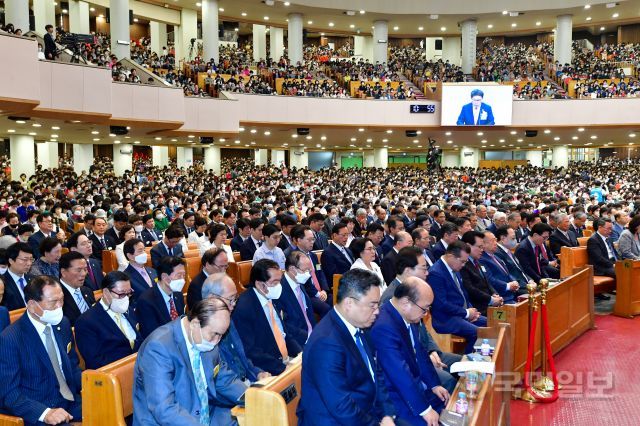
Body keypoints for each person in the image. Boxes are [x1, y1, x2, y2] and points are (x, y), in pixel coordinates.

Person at [297, 269, 396, 426]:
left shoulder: (360, 326)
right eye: (373, 305)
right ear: (349, 303)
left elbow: (375, 374)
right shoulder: (326, 343)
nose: (377, 312)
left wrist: (387, 414)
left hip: (365, 414)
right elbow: (341, 407)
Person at [132, 297, 247, 425]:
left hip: (207, 414)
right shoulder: (158, 348)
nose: (216, 341)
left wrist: (255, 398)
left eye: (221, 335)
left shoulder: (206, 340)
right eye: (214, 334)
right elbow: (164, 410)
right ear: (195, 324)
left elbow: (224, 380)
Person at [0, 275, 82, 425]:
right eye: (53, 302)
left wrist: (92, 387)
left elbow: (72, 365)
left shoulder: (62, 323)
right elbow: (9, 394)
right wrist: (45, 413)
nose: (60, 306)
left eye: (61, 300)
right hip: (40, 409)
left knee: (108, 412)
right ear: (32, 305)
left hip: (70, 400)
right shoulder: (10, 339)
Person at [379, 246, 461, 394]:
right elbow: (400, 349)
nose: (427, 273)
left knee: (464, 363)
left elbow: (421, 328)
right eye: (423, 268)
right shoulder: (391, 299)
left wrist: (432, 350)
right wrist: (426, 356)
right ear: (408, 270)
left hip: (424, 351)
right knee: (447, 381)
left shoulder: (415, 291)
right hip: (411, 360)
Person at [370, 277, 449, 426]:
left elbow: (420, 354)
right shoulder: (384, 327)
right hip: (395, 395)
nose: (426, 314)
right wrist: (425, 410)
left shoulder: (408, 315)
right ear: (406, 302)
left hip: (414, 385)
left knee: (447, 405)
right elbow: (399, 373)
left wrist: (434, 385)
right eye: (424, 309)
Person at [233, 259, 302, 375]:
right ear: (260, 284)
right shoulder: (243, 308)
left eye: (280, 281)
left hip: (286, 360)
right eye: (274, 282)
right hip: (268, 369)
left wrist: (300, 354)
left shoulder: (270, 297)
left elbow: (284, 333)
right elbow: (251, 351)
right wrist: (284, 369)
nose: (279, 286)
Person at [201, 272, 270, 384]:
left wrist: (258, 373)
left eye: (235, 299)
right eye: (230, 299)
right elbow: (219, 381)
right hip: (232, 392)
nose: (233, 304)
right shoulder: (204, 330)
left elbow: (241, 357)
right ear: (212, 298)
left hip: (247, 382)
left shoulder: (229, 318)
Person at [428, 241, 487, 354]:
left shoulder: (455, 268)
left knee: (491, 324)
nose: (464, 265)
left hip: (460, 314)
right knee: (477, 332)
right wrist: (466, 313)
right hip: (445, 319)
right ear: (451, 256)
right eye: (462, 261)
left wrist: (472, 311)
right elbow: (441, 304)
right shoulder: (436, 273)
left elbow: (463, 293)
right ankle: (467, 367)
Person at [74, 271, 141, 369]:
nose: (126, 298)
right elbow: (95, 360)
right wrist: (128, 368)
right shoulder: (86, 322)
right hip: (112, 373)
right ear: (105, 292)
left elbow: (139, 340)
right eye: (121, 294)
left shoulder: (129, 311)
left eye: (129, 293)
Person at [136, 256, 186, 339]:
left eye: (184, 275)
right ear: (165, 278)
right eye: (179, 275)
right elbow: (153, 335)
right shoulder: (146, 301)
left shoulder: (178, 294)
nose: (183, 280)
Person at [276, 251, 316, 348]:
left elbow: (308, 313)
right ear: (292, 269)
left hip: (311, 334)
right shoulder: (279, 290)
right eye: (305, 270)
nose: (308, 274)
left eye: (309, 270)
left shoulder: (299, 282)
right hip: (297, 340)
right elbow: (284, 325)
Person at [459, 231, 504, 316]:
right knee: (504, 323)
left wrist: (495, 294)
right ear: (468, 246)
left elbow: (487, 282)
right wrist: (491, 299)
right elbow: (470, 289)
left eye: (482, 247)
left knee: (511, 318)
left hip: (490, 305)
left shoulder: (477, 261)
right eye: (479, 247)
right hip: (478, 309)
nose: (482, 250)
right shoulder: (462, 265)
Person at [59, 251, 94, 325]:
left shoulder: (87, 291)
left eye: (85, 269)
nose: (84, 274)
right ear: (63, 272)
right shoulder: (56, 296)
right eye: (79, 270)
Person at [123, 238, 158, 305]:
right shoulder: (125, 277)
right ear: (130, 256)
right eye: (140, 251)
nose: (144, 253)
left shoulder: (153, 271)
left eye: (144, 250)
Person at [2, 242, 34, 311]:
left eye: (31, 259)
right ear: (11, 261)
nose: (29, 263)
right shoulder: (2, 283)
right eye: (24, 260)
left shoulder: (33, 279)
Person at [321, 223, 355, 288]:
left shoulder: (348, 250)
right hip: (341, 287)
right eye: (343, 235)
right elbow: (333, 275)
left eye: (347, 234)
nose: (346, 237)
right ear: (334, 235)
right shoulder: (327, 253)